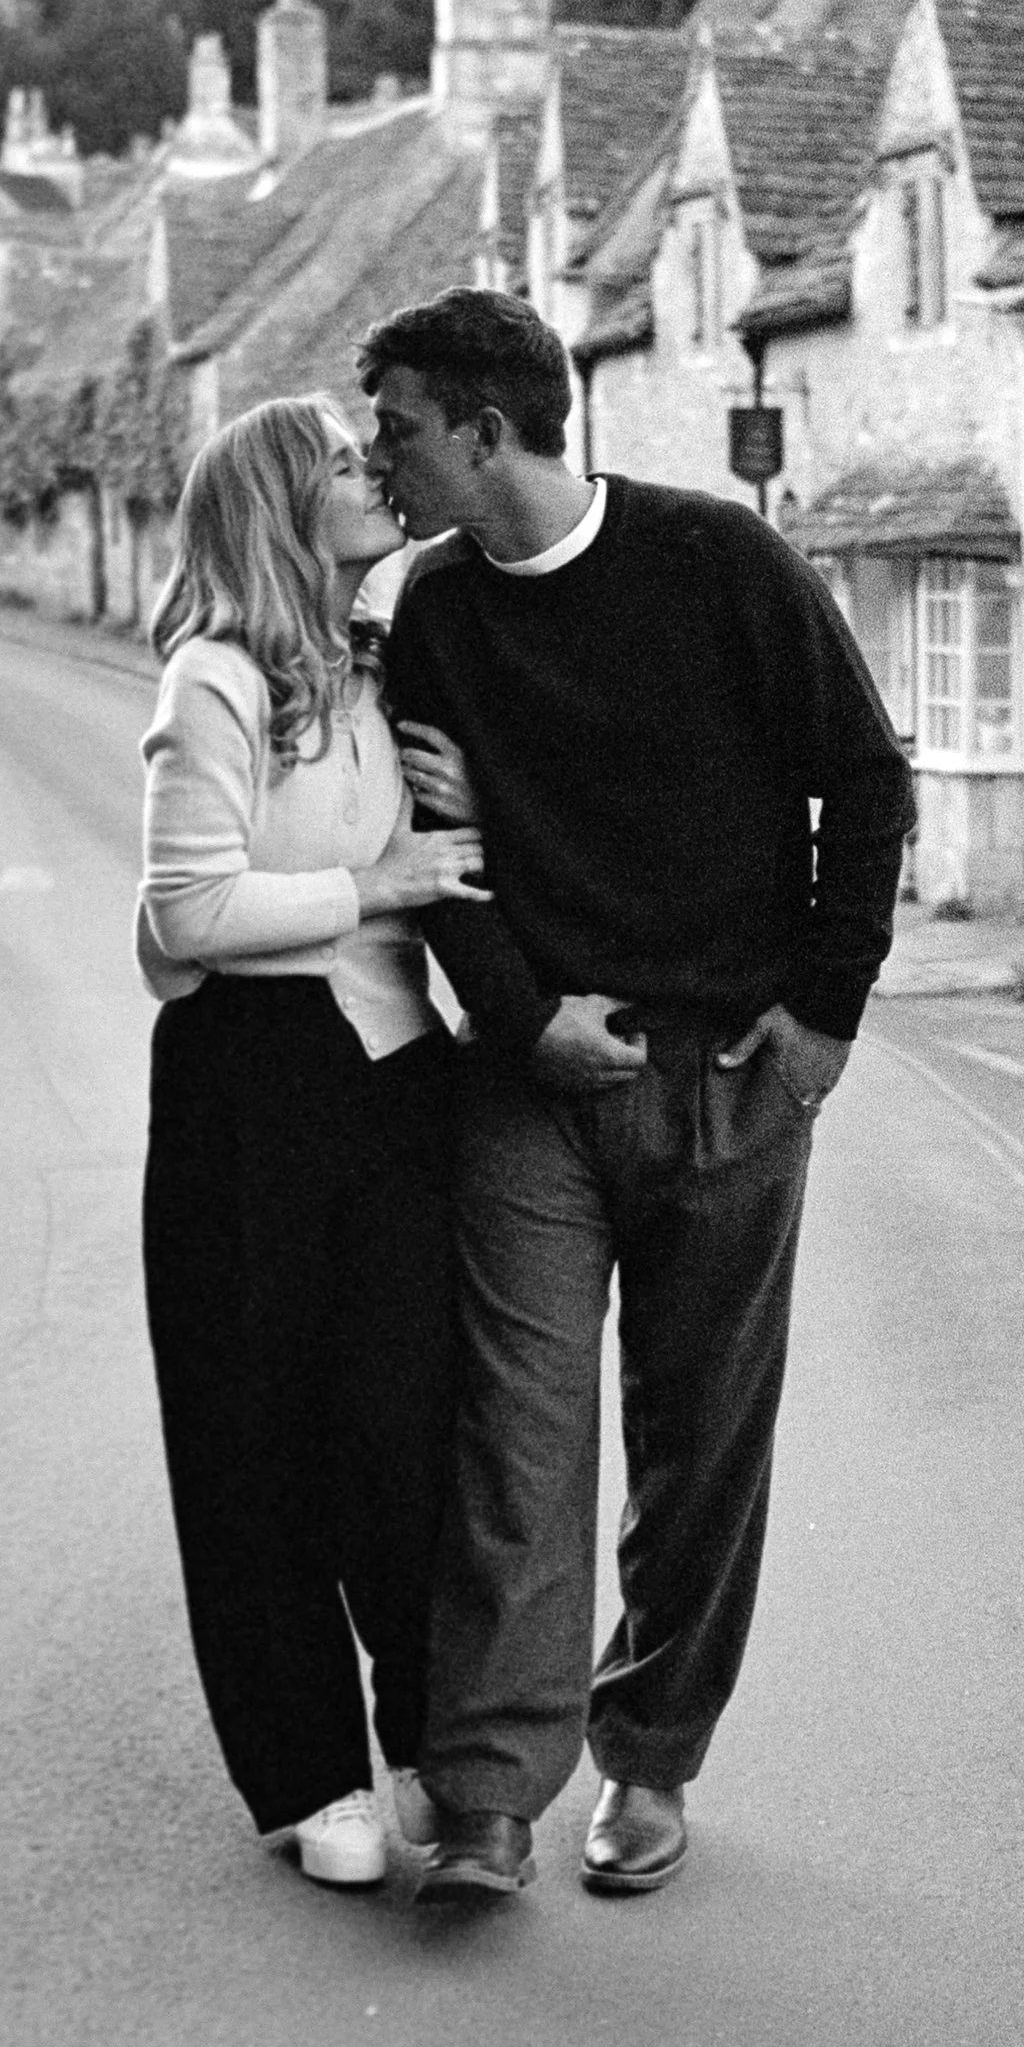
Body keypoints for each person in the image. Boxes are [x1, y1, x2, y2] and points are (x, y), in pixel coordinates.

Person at [363, 290, 914, 1905]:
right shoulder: (435, 611)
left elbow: (864, 777)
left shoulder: (719, 560)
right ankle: (488, 1793)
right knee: (515, 1442)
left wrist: (824, 1017)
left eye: (401, 429)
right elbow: (439, 854)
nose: (383, 461)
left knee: (699, 1447)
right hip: (532, 1093)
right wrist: (525, 1020)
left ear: (487, 429)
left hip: (732, 1082)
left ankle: (652, 1756)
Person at [136, 394, 488, 1890]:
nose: (376, 472)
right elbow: (184, 915)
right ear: (283, 508)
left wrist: (463, 812)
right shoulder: (212, 682)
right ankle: (308, 1776)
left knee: (407, 1429)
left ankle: (423, 1744)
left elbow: (446, 859)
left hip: (399, 1080)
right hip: (249, 1090)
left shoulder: (384, 664)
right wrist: (379, 880)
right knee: (254, 1436)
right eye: (345, 462)